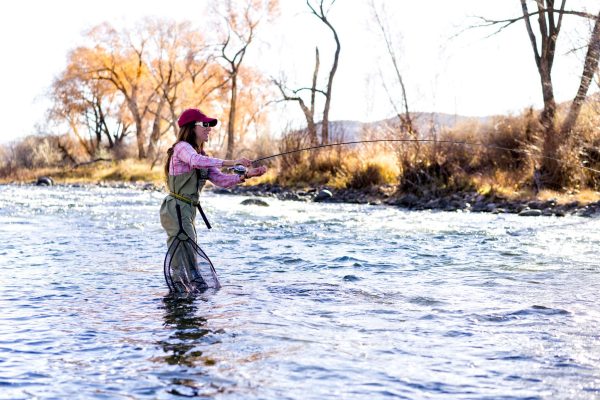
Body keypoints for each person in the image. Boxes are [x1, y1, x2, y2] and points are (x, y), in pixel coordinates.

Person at [160, 108, 267, 293]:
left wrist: (246, 175)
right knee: (182, 255)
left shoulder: (204, 156)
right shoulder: (182, 147)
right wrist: (232, 162)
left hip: (188, 211)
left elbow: (221, 180)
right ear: (191, 127)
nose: (209, 128)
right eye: (205, 124)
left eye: (210, 125)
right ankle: (179, 299)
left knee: (189, 255)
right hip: (175, 208)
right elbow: (194, 160)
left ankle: (186, 298)